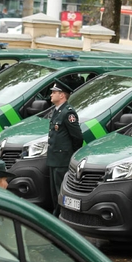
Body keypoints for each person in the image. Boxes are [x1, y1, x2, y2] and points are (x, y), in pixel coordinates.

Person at [47, 81, 83, 216]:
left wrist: (69, 154)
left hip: (62, 159)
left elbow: (77, 137)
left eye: (54, 92)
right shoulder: (57, 111)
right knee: (53, 192)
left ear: (62, 95)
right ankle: (55, 215)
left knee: (59, 191)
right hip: (53, 159)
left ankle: (60, 217)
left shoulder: (68, 113)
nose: (51, 95)